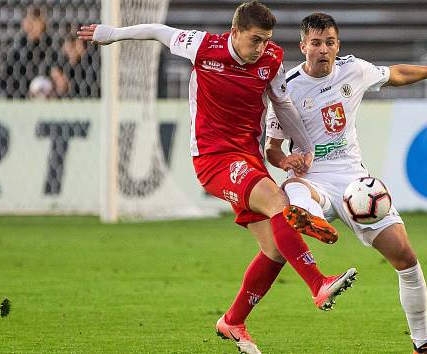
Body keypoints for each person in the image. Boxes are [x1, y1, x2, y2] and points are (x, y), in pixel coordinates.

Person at [77, 2, 356, 353]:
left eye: (266, 40)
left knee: (275, 249)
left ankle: (233, 321)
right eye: (255, 40)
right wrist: (113, 34)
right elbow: (159, 32)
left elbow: (283, 105)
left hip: (249, 158)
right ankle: (317, 284)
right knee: (278, 204)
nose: (261, 48)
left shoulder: (270, 59)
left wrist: (304, 146)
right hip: (213, 159)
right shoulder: (203, 46)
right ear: (234, 32)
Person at [265, 13, 427, 354]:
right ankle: (308, 216)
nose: (324, 49)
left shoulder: (353, 69)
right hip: (311, 175)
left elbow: (396, 74)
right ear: (303, 47)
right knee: (293, 188)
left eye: (330, 42)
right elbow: (272, 148)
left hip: (354, 181)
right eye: (316, 43)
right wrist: (285, 161)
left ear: (337, 45)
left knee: (406, 257)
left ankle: (424, 345)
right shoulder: (287, 88)